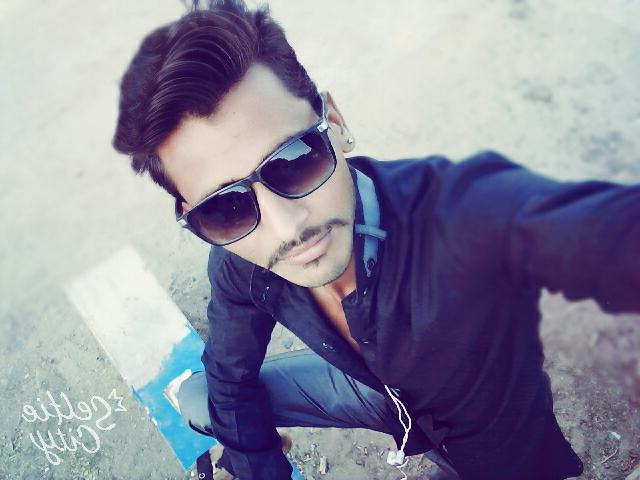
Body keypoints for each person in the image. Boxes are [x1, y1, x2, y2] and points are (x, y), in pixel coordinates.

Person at [111, 1, 640, 479]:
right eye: (224, 208)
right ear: (193, 217)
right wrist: (258, 466)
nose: (287, 228)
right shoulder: (238, 261)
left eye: (295, 160)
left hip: (487, 437)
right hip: (372, 386)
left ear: (336, 122)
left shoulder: (463, 215)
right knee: (201, 398)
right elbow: (230, 380)